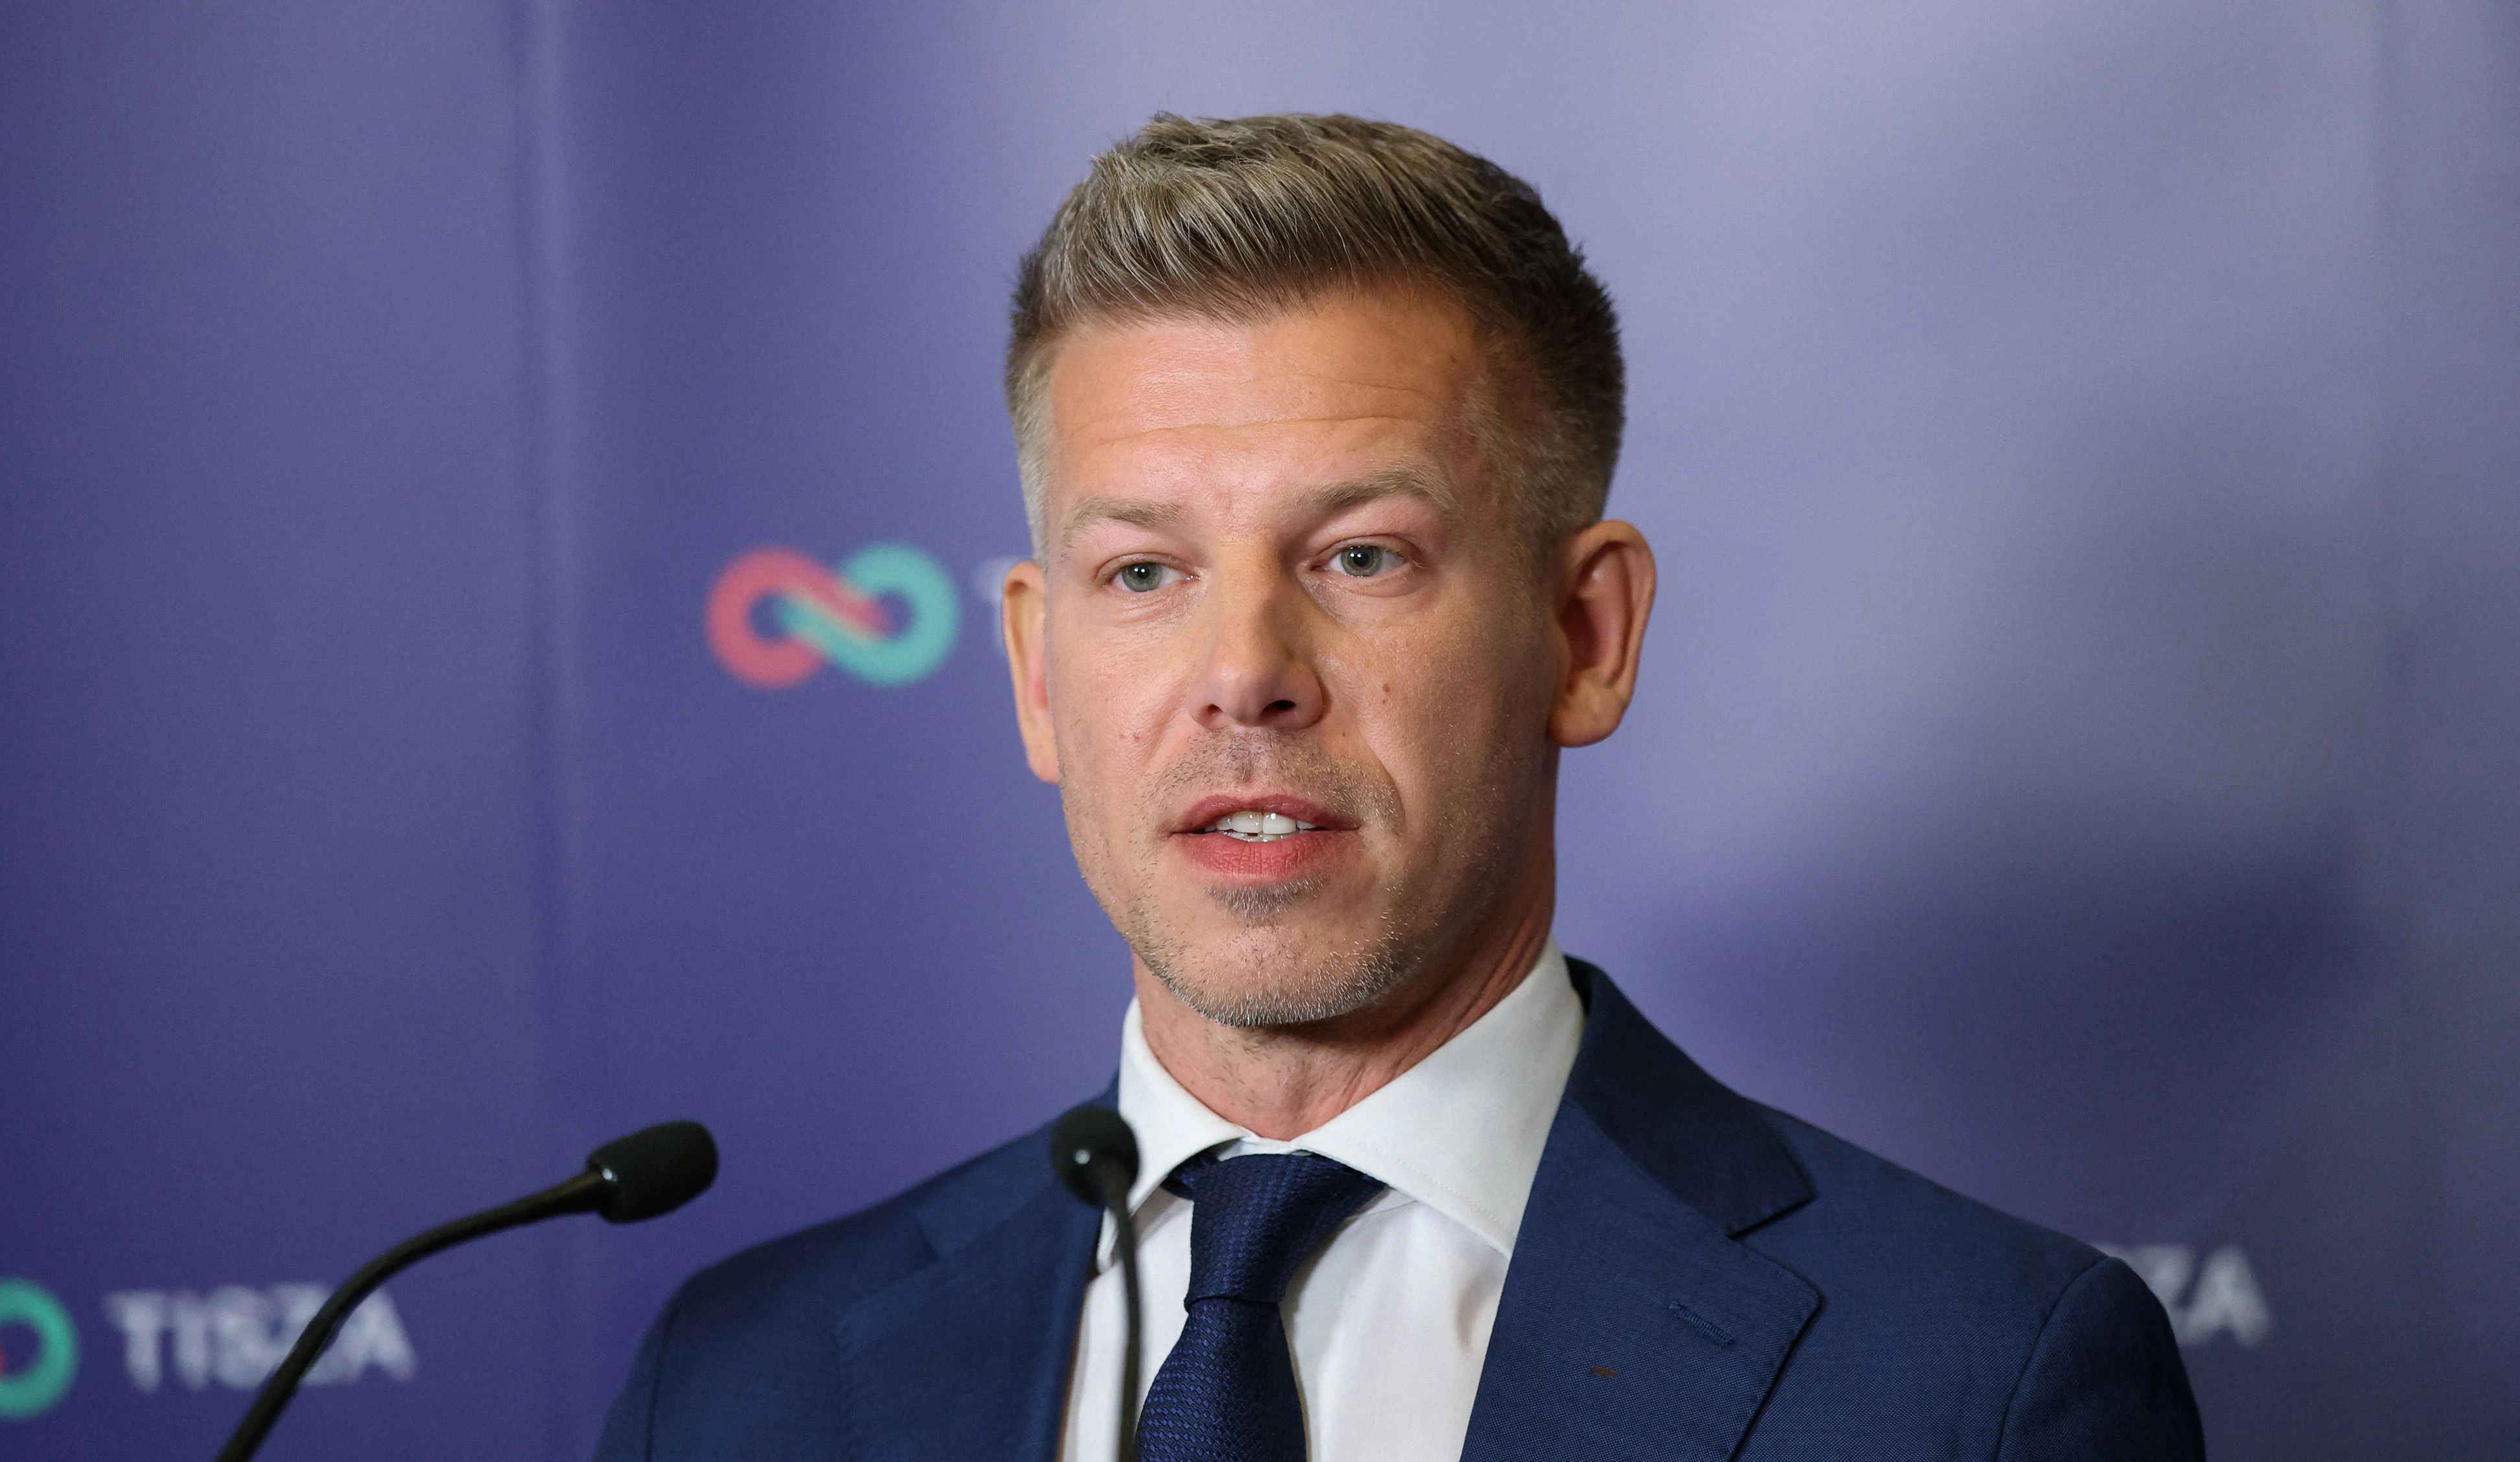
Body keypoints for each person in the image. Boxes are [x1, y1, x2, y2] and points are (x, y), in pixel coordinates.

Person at [596, 112, 2203, 1461]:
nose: (1246, 670)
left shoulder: (1974, 1378)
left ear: (1583, 634)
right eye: (1144, 571)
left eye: (1360, 556)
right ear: (1034, 669)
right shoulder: (743, 1384)